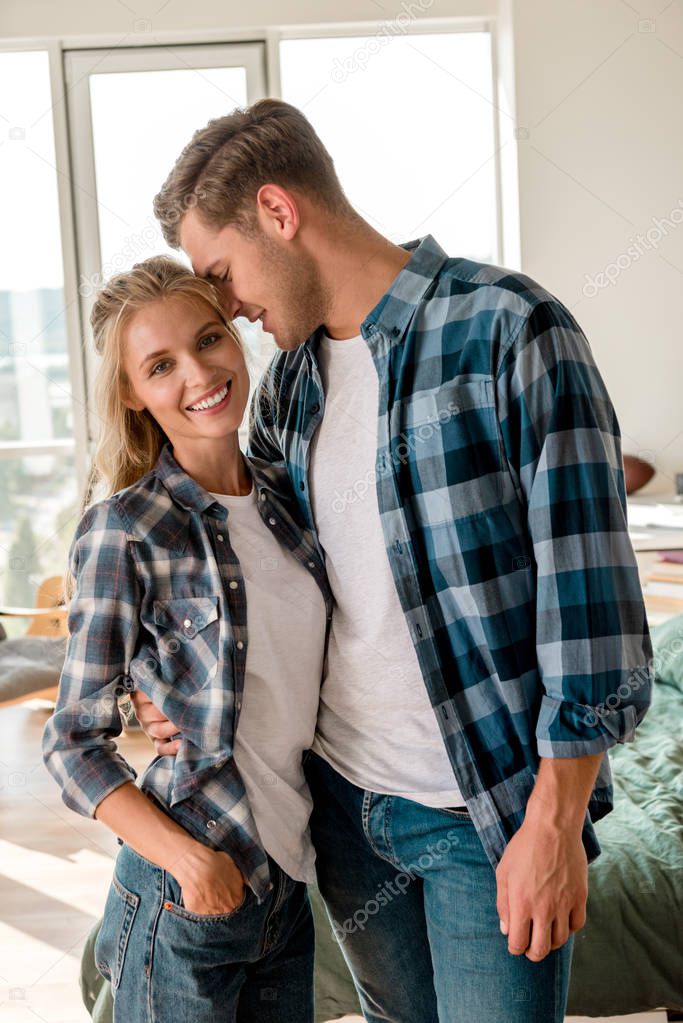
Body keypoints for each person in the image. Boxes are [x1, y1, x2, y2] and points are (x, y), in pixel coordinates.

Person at [134, 99, 653, 1023]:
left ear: (279, 211)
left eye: (223, 272)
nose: (229, 307)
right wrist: (167, 679)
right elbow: (258, 576)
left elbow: (592, 605)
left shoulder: (508, 329)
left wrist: (556, 819)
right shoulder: (292, 386)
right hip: (340, 805)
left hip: (481, 816)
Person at [42, 256, 333, 1022]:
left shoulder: (290, 498)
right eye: (160, 364)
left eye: (208, 339)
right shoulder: (125, 529)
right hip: (184, 887)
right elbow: (72, 741)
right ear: (134, 395)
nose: (198, 372)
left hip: (286, 884)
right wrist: (190, 862)